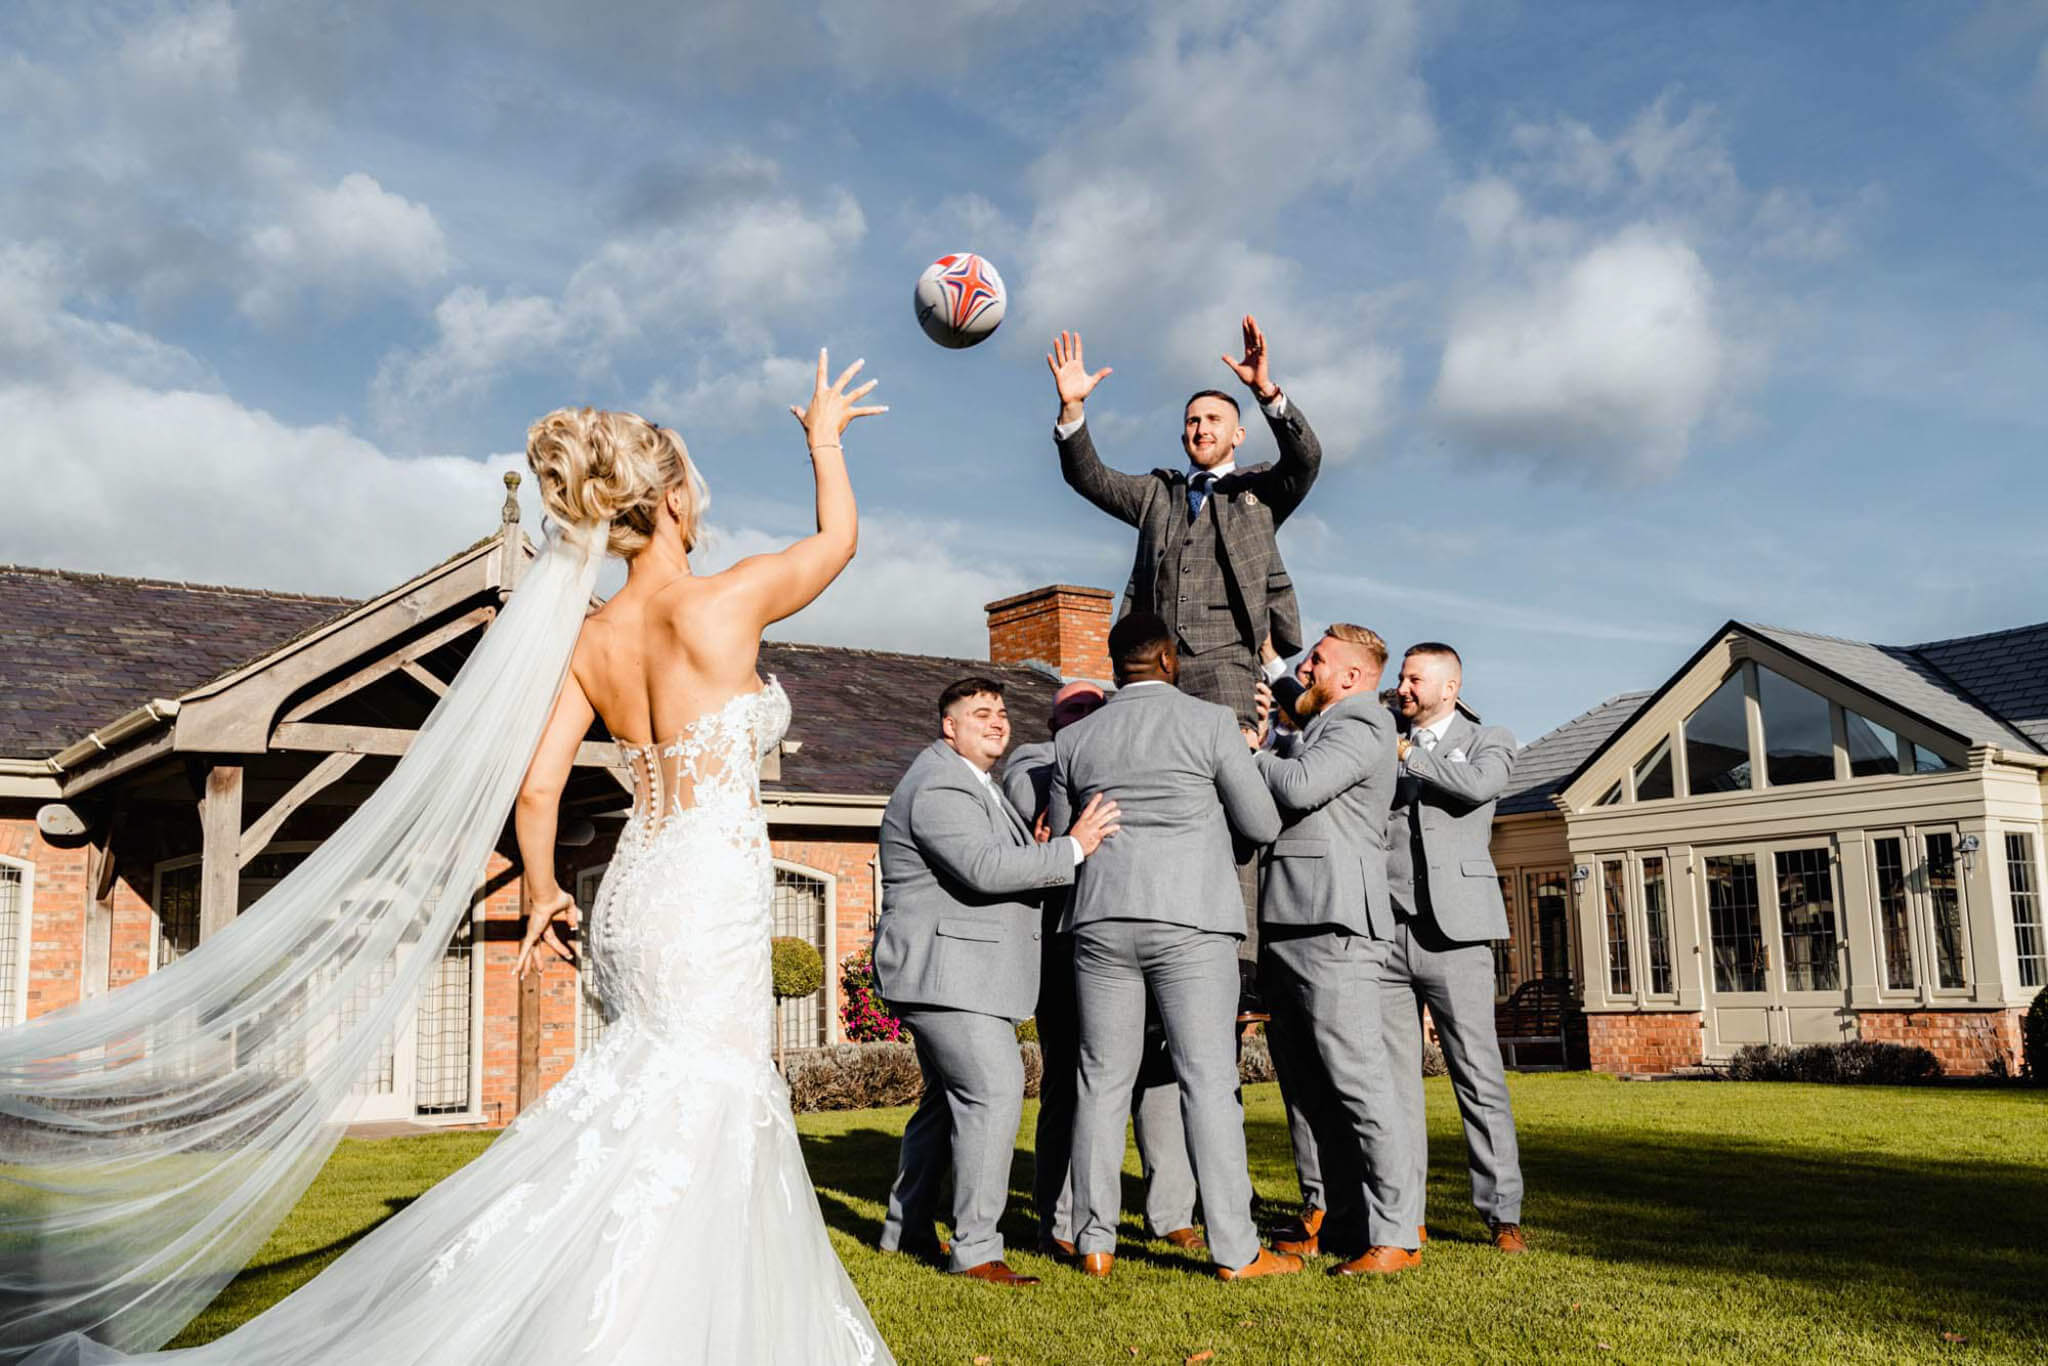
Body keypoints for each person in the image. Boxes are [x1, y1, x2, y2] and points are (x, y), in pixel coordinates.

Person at [4, 351, 896, 1364]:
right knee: (707, 1102)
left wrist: (551, 889)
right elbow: (838, 540)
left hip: (635, 895)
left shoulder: (592, 639)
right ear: (675, 503)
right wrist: (824, 438)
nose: (706, 505)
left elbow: (535, 785)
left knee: (653, 1100)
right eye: (698, 489)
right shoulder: (722, 602)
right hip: (704, 891)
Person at [1048, 612, 1296, 1282]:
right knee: (1208, 1082)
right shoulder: (1210, 723)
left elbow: (1067, 838)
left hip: (1100, 919)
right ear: (1166, 660)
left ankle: (1094, 1241)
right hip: (1190, 920)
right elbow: (1262, 822)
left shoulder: (1076, 740)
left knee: (1100, 1080)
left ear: (1116, 662)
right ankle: (1234, 1250)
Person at [871, 679, 1118, 1285]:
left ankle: (904, 1232)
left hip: (959, 974)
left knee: (941, 1104)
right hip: (946, 974)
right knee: (995, 1091)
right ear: (948, 726)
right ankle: (978, 1250)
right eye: (979, 713)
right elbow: (982, 869)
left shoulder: (974, 783)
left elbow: (994, 859)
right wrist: (1072, 847)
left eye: (1002, 713)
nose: (996, 722)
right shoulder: (938, 783)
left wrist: (1034, 849)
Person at [1001, 683, 1202, 1259]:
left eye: (1095, 709)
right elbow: (1030, 804)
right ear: (1054, 719)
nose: (1087, 717)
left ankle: (1170, 1213)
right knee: (1072, 1080)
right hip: (1068, 945)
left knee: (1157, 1077)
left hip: (1137, 930)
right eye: (1075, 710)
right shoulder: (1037, 759)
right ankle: (1059, 1218)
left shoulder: (1132, 755)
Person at [1045, 317, 1320, 730]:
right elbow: (1090, 478)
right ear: (1182, 436)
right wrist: (1072, 407)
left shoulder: (1261, 489)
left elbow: (1307, 459)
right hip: (1153, 670)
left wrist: (1266, 393)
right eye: (1193, 421)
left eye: (1213, 420)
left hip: (1226, 665)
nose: (1202, 429)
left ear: (1238, 435)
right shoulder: (1156, 492)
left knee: (1226, 766)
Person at [1248, 626, 1419, 1276]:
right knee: (1305, 1089)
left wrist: (1248, 753)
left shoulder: (1362, 724)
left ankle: (1397, 1232)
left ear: (1350, 676)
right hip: (1291, 920)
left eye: (1315, 661)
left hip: (1338, 921)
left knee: (1360, 1083)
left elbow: (1296, 787)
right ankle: (1332, 1215)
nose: (1305, 669)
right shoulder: (1318, 725)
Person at [1384, 643, 1527, 1255]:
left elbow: (1478, 787)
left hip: (1459, 932)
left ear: (1449, 685)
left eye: (1416, 678)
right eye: (1402, 677)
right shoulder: (1381, 736)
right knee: (1393, 1084)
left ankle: (1503, 1215)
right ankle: (1401, 1212)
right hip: (1386, 929)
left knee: (1477, 1073)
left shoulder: (1489, 737)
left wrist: (1409, 755)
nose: (1404, 687)